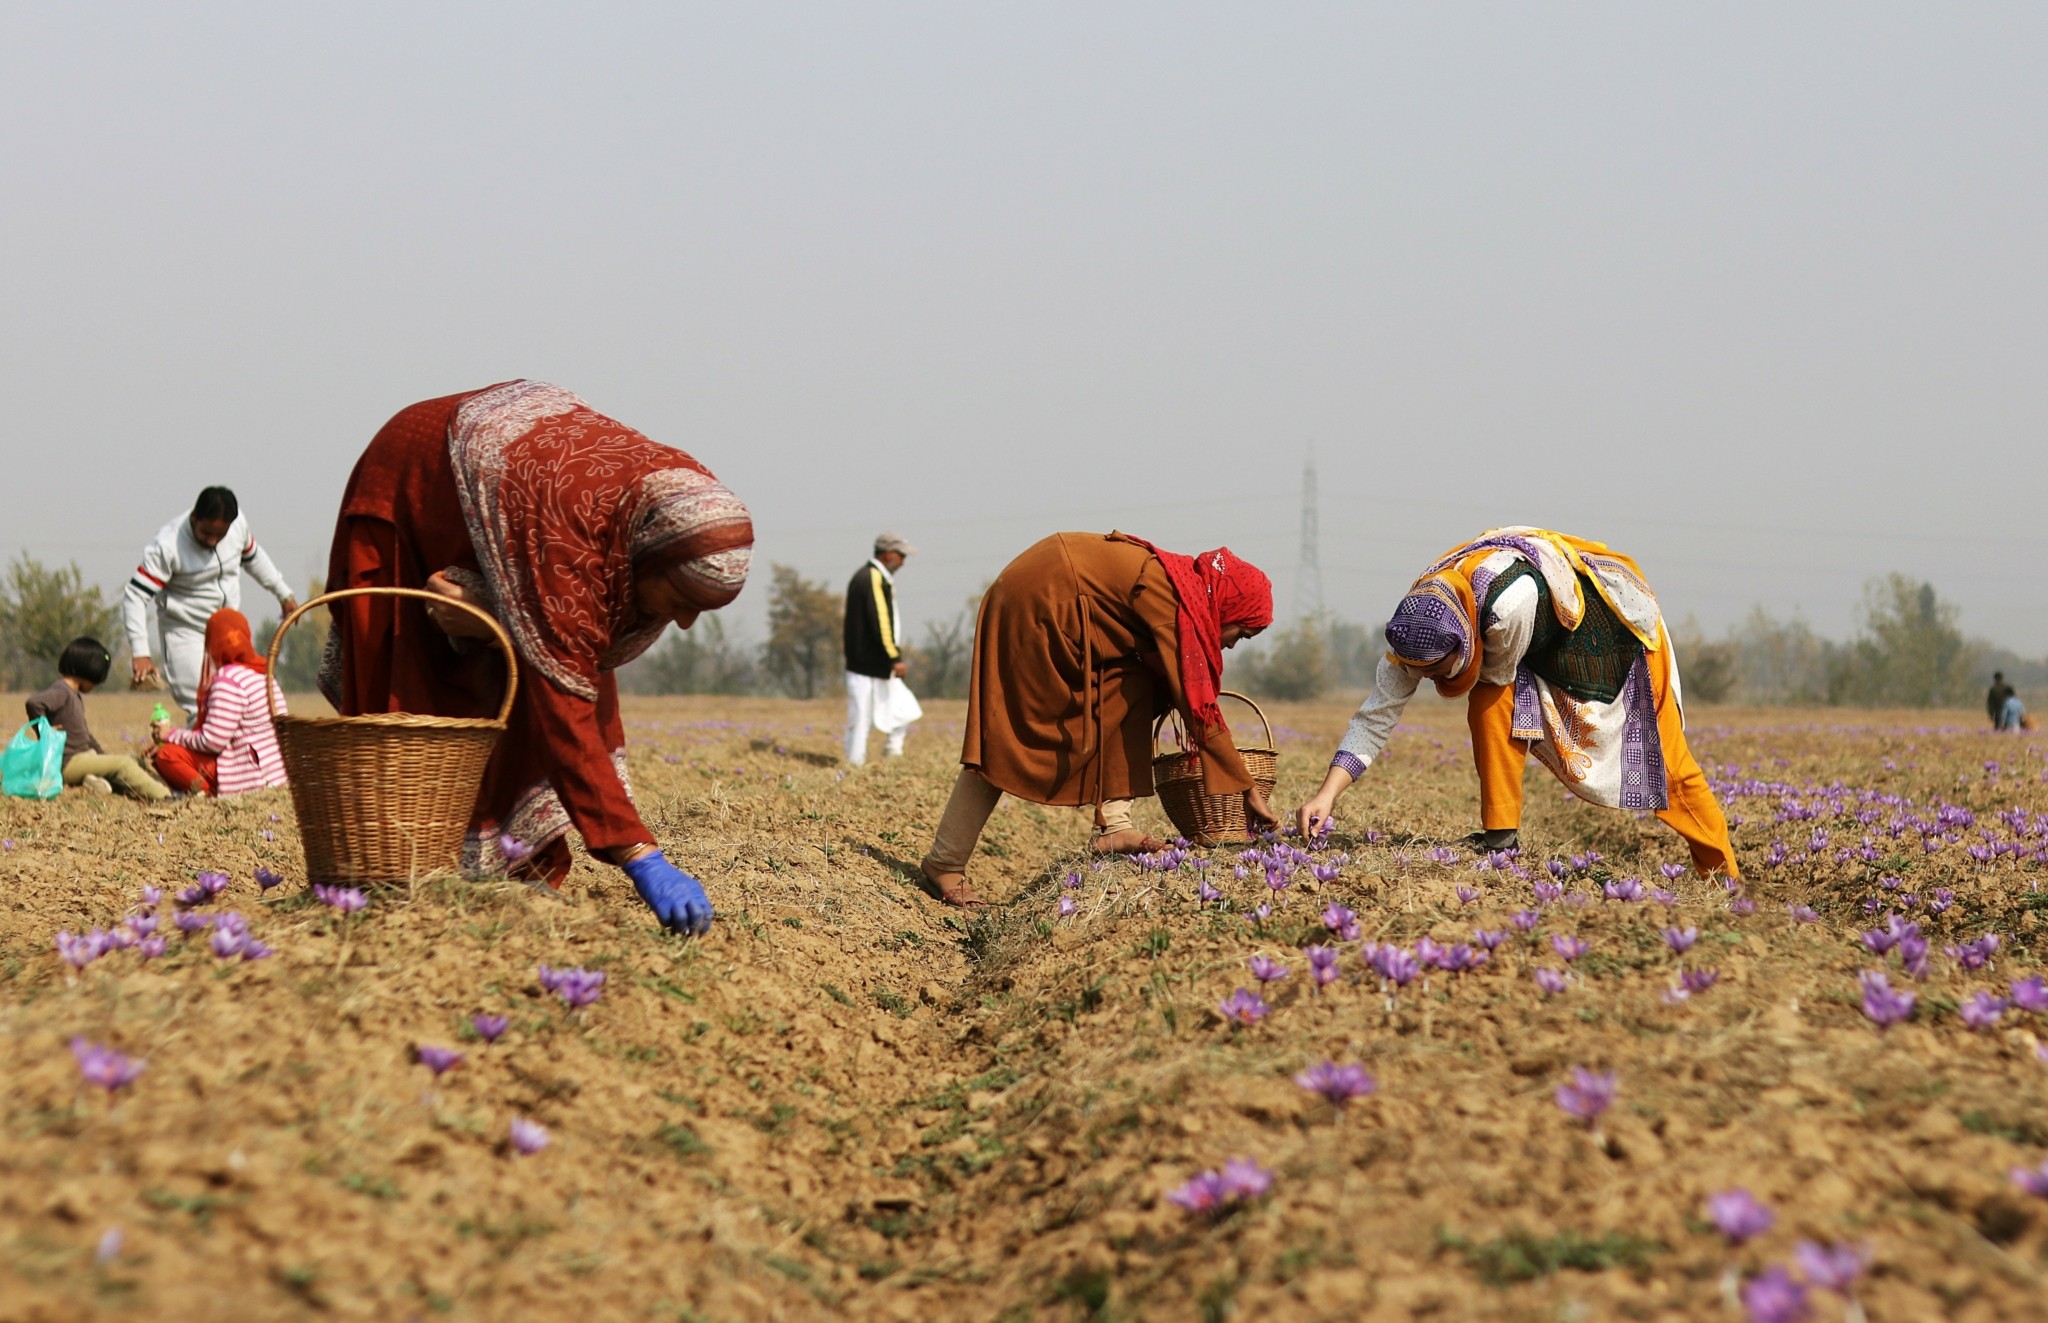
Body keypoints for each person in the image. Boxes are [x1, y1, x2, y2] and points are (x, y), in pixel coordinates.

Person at [322, 380, 753, 936]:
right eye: (680, 602)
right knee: (430, 686)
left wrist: (497, 610)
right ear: (644, 560)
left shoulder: (674, 503)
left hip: (524, 484)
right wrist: (639, 855)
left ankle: (510, 866)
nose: (686, 622)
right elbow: (565, 712)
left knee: (537, 652)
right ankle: (402, 871)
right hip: (419, 474)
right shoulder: (570, 543)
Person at [1296, 527, 1738, 879]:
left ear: (1466, 641)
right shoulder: (1417, 627)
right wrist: (1326, 796)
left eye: (1435, 671)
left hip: (1611, 632)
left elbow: (1496, 682)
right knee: (1490, 707)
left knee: (1667, 761)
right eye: (1419, 672)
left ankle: (1722, 872)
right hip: (1537, 637)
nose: (1427, 682)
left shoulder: (1509, 607)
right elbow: (1376, 716)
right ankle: (1501, 837)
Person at [920, 532, 1277, 908]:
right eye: (1241, 632)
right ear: (1227, 607)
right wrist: (1248, 790)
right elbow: (1197, 701)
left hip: (1071, 607)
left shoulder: (1186, 591)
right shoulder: (1173, 600)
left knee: (1136, 687)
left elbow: (1178, 687)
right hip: (1038, 601)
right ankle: (945, 862)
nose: (1234, 644)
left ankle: (1114, 825)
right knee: (1008, 736)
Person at [123, 486, 298, 720]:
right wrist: (140, 652)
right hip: (185, 633)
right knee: (204, 710)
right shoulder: (167, 545)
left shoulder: (238, 526)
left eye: (220, 535)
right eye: (206, 533)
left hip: (229, 632)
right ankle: (188, 756)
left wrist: (283, 594)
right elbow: (135, 595)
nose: (213, 541)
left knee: (249, 702)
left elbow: (254, 559)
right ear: (194, 518)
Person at [149, 609, 288, 796]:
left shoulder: (228, 681)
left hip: (250, 778)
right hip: (275, 773)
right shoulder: (263, 674)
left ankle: (205, 793)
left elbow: (212, 741)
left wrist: (170, 735)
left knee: (166, 755)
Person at [23, 638, 171, 800]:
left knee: (132, 760)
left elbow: (85, 734)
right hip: (67, 763)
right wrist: (44, 732)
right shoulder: (62, 691)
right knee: (123, 764)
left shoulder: (73, 694)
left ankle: (93, 782)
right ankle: (164, 795)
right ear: (88, 672)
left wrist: (104, 757)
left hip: (83, 757)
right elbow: (34, 703)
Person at [844, 532, 921, 765]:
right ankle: (855, 764)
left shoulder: (876, 577)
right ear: (888, 554)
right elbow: (881, 621)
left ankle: (892, 752)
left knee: (905, 708)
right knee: (861, 719)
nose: (903, 562)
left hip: (876, 664)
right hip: (867, 664)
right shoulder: (872, 578)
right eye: (901, 555)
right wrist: (894, 656)